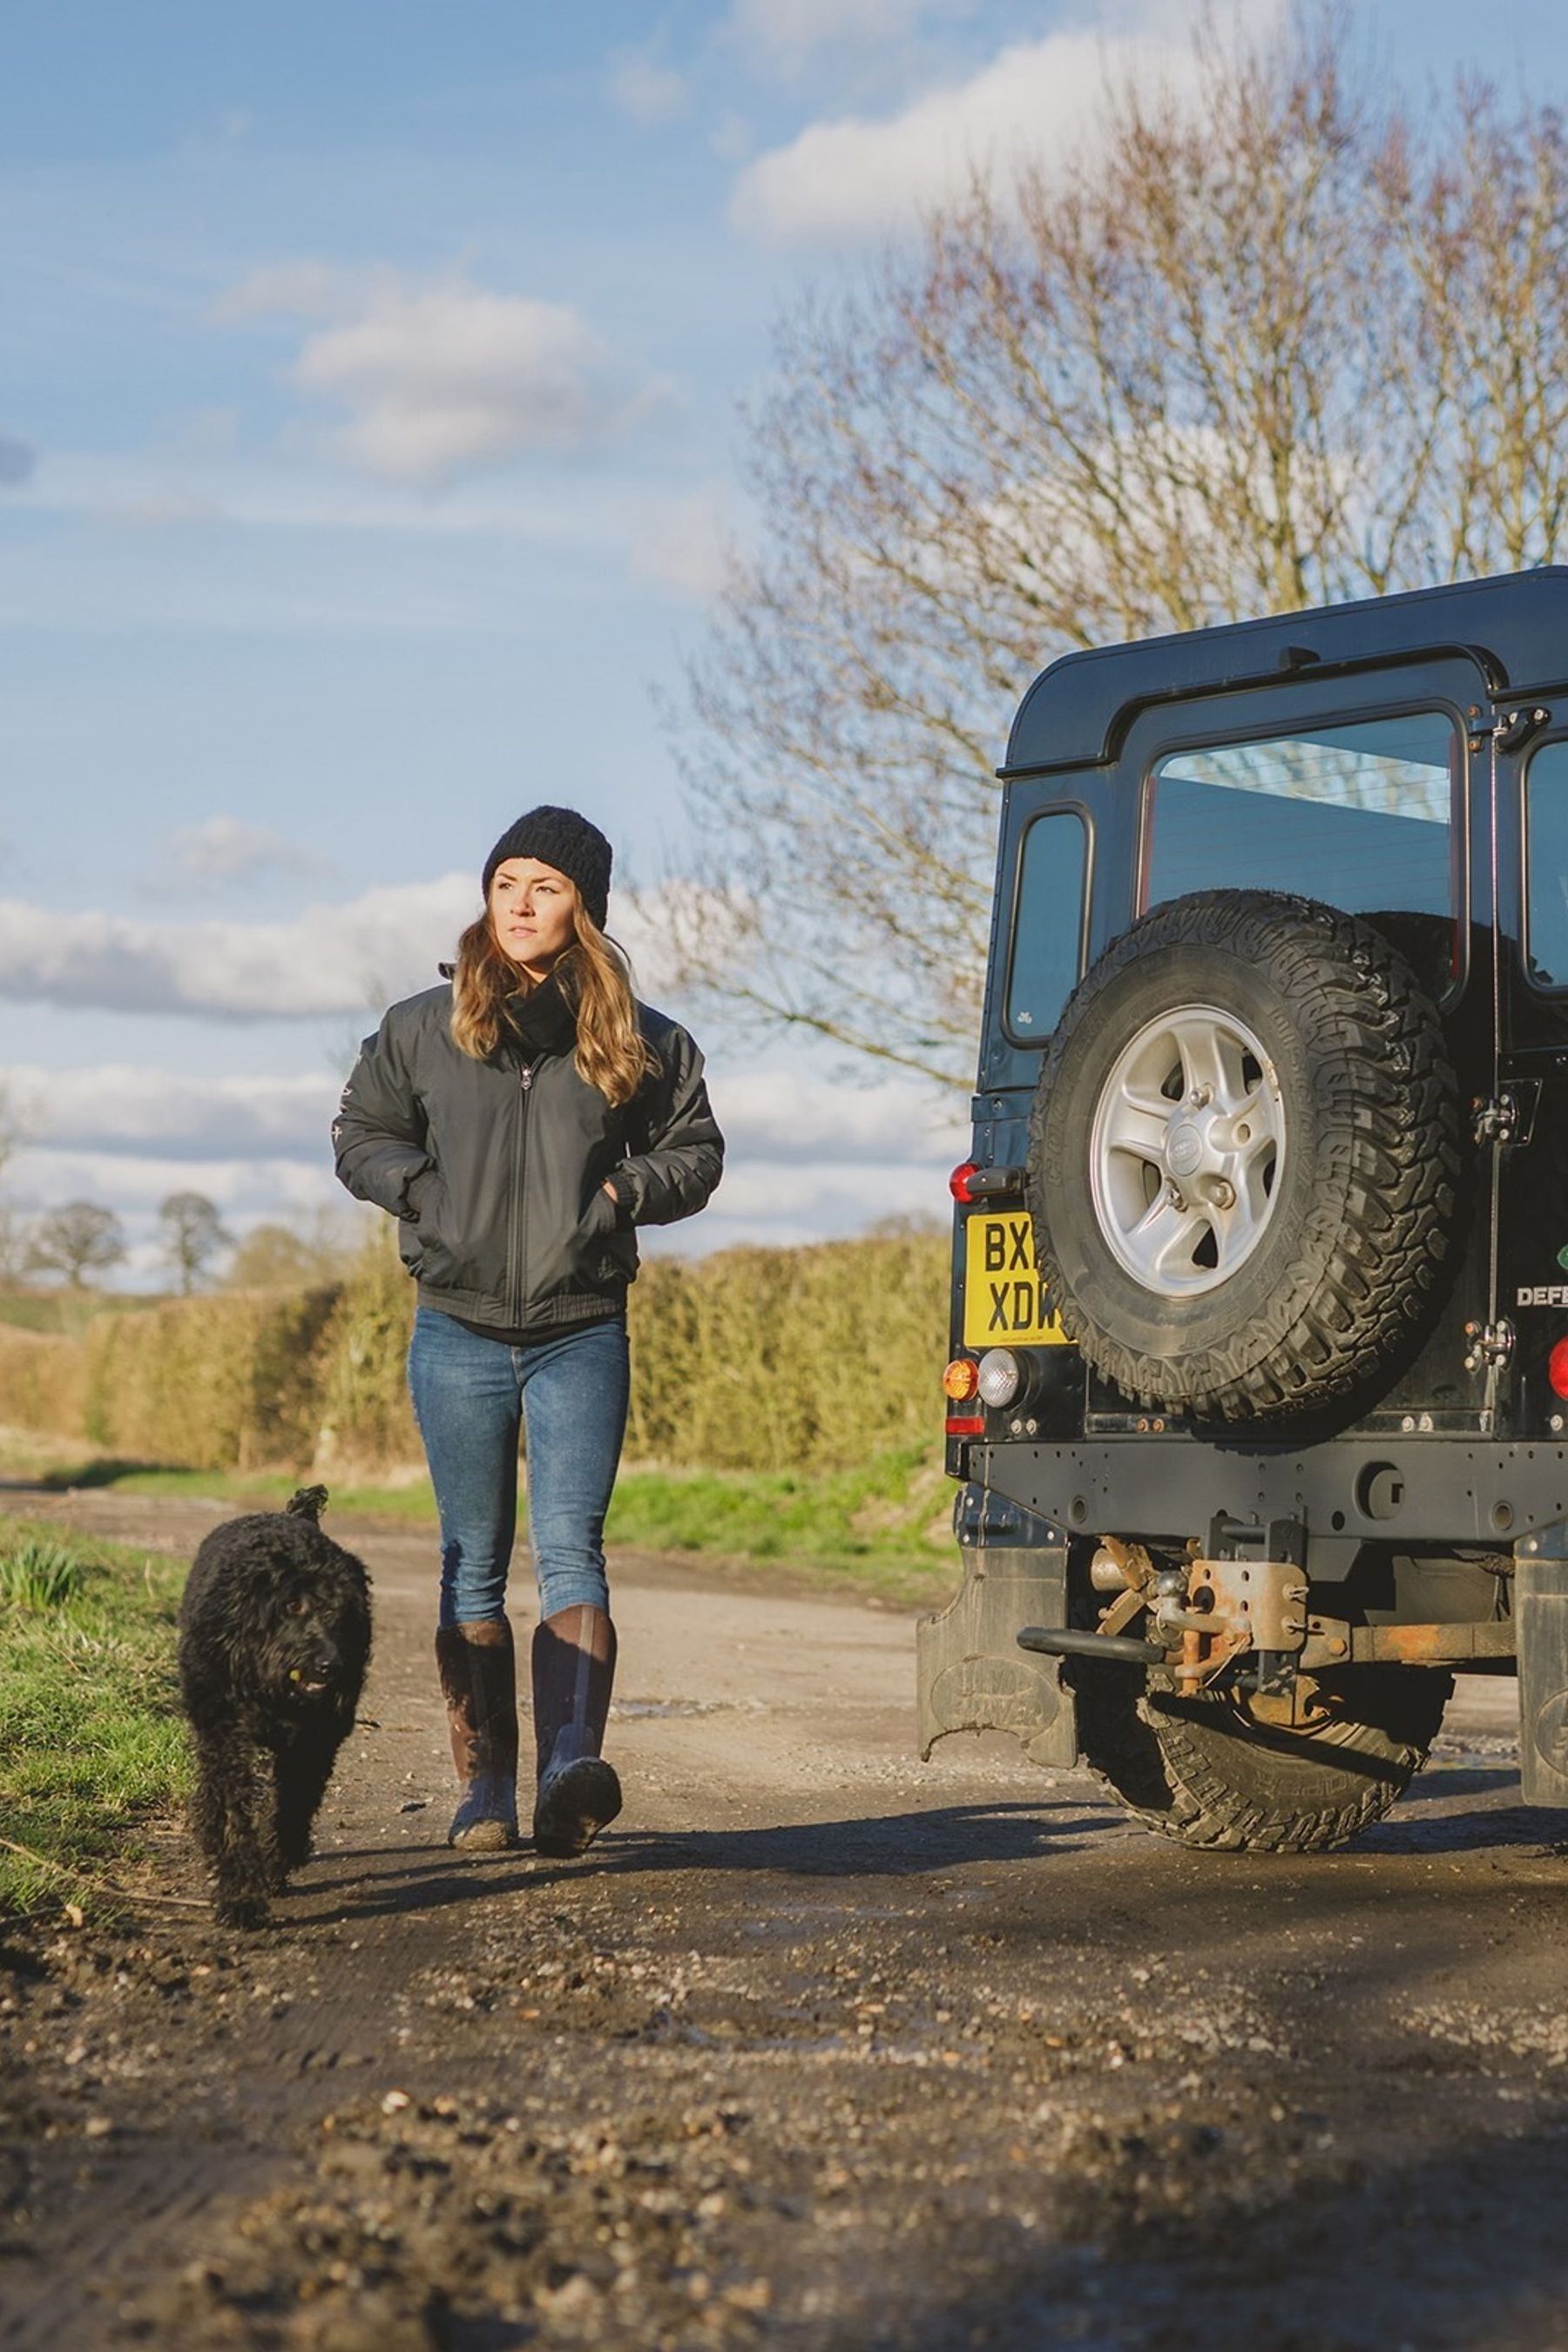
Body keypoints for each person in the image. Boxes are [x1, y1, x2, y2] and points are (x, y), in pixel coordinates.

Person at [332, 806, 724, 1857]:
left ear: (583, 908)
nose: (519, 903)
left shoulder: (642, 1039)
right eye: (506, 881)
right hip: (454, 1330)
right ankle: (483, 1793)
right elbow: (358, 1132)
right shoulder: (421, 1027)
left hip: (578, 1331)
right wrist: (418, 1191)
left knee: (571, 1553)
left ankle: (567, 1774)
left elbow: (697, 1151)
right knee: (469, 1564)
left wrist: (624, 1189)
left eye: (544, 886)